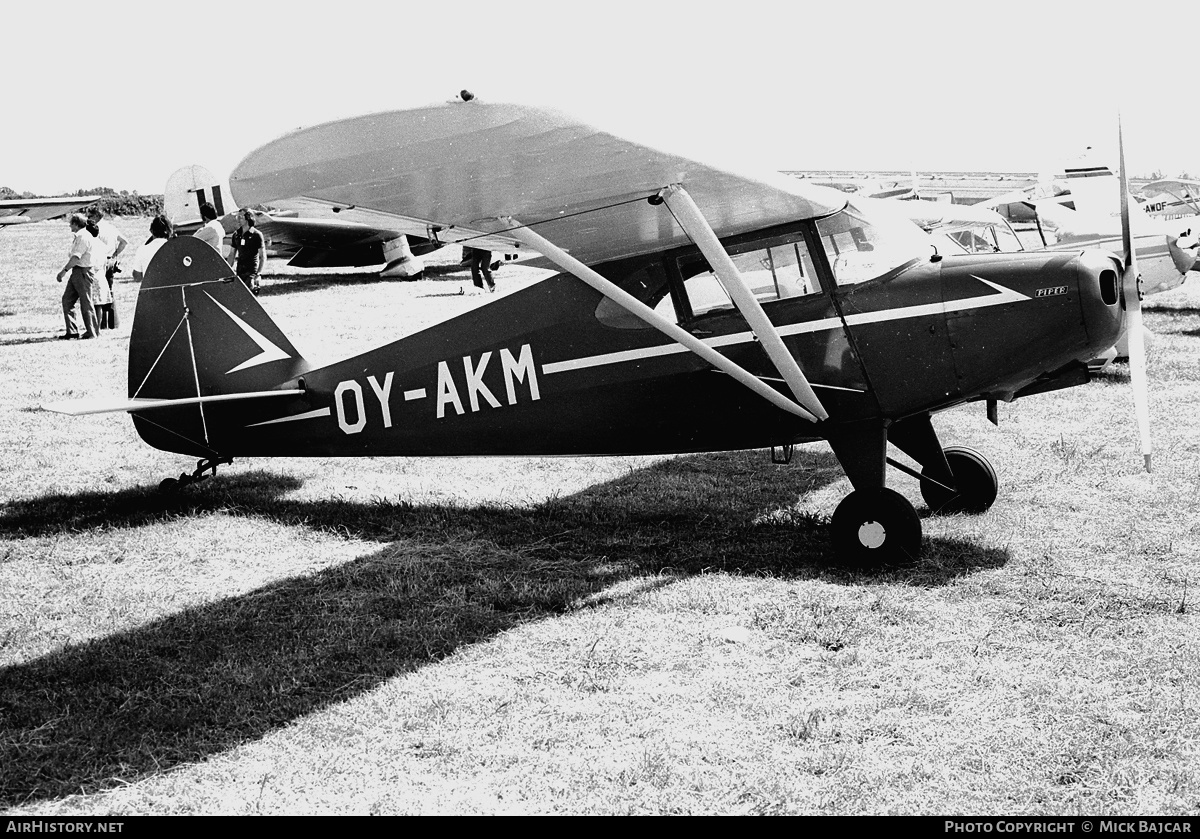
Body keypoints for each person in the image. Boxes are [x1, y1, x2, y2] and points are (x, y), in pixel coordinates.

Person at [55, 214, 101, 339]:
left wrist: (63, 271)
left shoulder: (82, 237)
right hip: (78, 272)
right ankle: (72, 331)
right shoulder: (81, 236)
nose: (69, 225)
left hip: (82, 271)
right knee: (67, 300)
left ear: (76, 224)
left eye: (71, 223)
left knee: (86, 302)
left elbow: (76, 257)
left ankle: (92, 332)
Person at [87, 205, 128, 329]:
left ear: (96, 216)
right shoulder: (111, 227)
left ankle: (101, 323)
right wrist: (115, 255)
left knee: (99, 293)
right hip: (110, 261)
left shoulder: (95, 229)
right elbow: (124, 241)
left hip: (99, 262)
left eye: (90, 216)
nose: (88, 218)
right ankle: (113, 323)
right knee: (109, 291)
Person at [228, 209, 265, 293]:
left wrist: (258, 274)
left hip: (251, 272)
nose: (238, 219)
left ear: (248, 218)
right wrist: (228, 270)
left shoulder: (256, 235)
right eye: (237, 217)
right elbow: (231, 254)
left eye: (240, 217)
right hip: (240, 271)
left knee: (249, 293)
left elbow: (262, 257)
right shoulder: (236, 235)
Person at [132, 214, 174, 282]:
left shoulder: (142, 249)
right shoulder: (174, 248)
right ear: (170, 231)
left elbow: (137, 278)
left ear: (151, 231)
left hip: (150, 290)